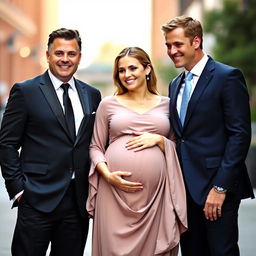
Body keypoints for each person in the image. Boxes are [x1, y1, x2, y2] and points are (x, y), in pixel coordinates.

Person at [0, 28, 101, 256]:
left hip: (76, 203)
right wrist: (17, 190)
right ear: (48, 55)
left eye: (71, 53)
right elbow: (7, 143)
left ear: (79, 57)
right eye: (59, 53)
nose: (65, 59)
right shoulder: (26, 91)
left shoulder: (91, 94)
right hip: (36, 198)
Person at [161, 16, 255, 256]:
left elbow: (239, 135)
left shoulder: (227, 77)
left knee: (221, 252)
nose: (172, 51)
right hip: (185, 191)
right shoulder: (175, 84)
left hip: (216, 189)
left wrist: (220, 188)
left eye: (178, 44)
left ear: (196, 41)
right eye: (168, 45)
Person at [86, 46, 187, 256]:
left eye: (132, 68)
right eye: (121, 71)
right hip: (113, 193)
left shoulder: (168, 105)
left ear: (147, 69)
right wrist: (107, 175)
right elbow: (95, 146)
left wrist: (160, 140)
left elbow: (179, 147)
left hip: (156, 197)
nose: (127, 75)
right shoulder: (108, 104)